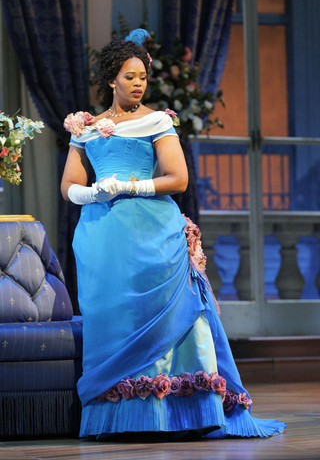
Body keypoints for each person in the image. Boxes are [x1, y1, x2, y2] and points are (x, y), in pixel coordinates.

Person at [61, 29, 286, 441]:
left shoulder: (156, 121)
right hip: (102, 235)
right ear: (112, 79)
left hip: (151, 229)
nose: (137, 83)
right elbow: (69, 185)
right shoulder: (86, 127)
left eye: (142, 77)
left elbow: (178, 178)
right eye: (129, 76)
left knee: (165, 318)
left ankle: (177, 413)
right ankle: (118, 419)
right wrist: (93, 191)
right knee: (113, 318)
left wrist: (129, 185)